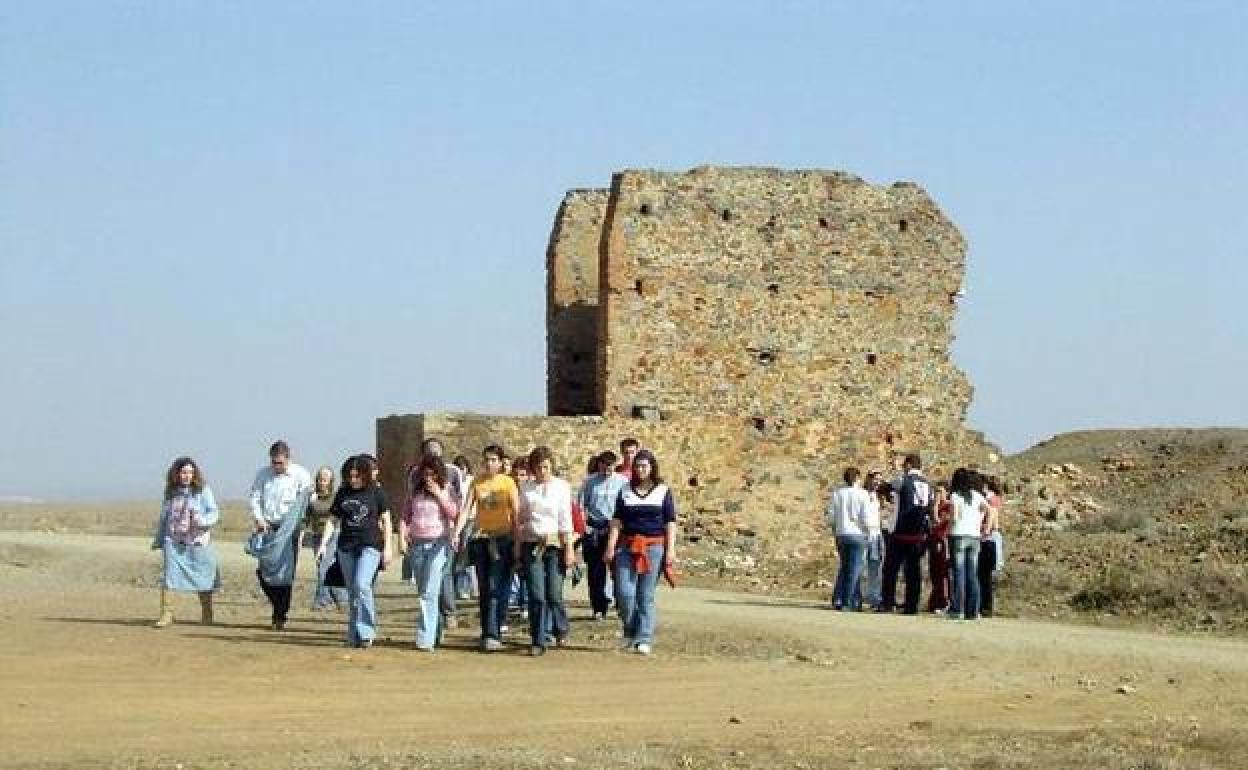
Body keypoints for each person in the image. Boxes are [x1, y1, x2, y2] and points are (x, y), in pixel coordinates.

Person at [605, 449, 677, 655]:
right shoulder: (625, 490)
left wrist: (670, 550)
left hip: (653, 547)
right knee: (624, 593)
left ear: (652, 467)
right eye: (637, 465)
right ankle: (631, 630)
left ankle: (644, 637)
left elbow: (670, 522)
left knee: (645, 595)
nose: (640, 469)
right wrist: (611, 545)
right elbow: (617, 520)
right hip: (627, 546)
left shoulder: (663, 491)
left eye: (644, 465)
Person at [316, 454, 393, 648]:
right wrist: (324, 544)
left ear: (365, 475)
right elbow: (333, 520)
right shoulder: (343, 493)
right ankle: (354, 634)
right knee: (352, 592)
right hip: (346, 547)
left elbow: (386, 520)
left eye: (357, 476)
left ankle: (367, 630)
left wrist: (389, 548)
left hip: (370, 545)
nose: (353, 480)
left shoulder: (377, 492)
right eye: (350, 476)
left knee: (362, 585)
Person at [454, 444, 521, 652]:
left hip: (503, 539)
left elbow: (517, 514)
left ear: (501, 463)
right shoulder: (477, 482)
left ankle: (495, 628)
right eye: (486, 460)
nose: (489, 464)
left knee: (497, 586)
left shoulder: (508, 483)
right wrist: (457, 532)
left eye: (493, 460)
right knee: (484, 587)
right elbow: (466, 509)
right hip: (482, 539)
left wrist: (518, 540)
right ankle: (489, 632)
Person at [515, 446, 574, 655]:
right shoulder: (526, 489)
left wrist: (569, 549)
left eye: (547, 467)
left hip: (554, 544)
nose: (543, 472)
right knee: (537, 594)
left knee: (554, 593)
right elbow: (520, 517)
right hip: (532, 543)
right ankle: (538, 638)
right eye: (539, 467)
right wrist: (518, 543)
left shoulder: (562, 487)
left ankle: (561, 628)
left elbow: (565, 519)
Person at [247, 440, 312, 631]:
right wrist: (259, 519)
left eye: (280, 463)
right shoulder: (262, 475)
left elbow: (306, 500)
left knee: (285, 573)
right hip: (268, 527)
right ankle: (277, 605)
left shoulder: (301, 475)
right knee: (264, 571)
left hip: (290, 529)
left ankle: (280, 614)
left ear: (288, 459)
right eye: (274, 463)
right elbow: (255, 498)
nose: (277, 466)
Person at [399, 454, 461, 651]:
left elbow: (455, 514)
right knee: (423, 591)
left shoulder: (447, 490)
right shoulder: (415, 493)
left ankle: (424, 639)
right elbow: (404, 516)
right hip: (417, 544)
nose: (429, 478)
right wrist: (402, 537)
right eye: (425, 474)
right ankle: (435, 630)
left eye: (433, 475)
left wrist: (440, 495)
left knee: (429, 592)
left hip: (438, 544)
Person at [150, 456, 220, 628]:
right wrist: (159, 539)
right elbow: (164, 517)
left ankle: (207, 613)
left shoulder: (203, 490)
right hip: (174, 541)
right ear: (176, 474)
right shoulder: (171, 492)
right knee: (169, 577)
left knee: (203, 577)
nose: (186, 476)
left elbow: (214, 512)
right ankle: (167, 614)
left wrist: (202, 521)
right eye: (183, 472)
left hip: (197, 541)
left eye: (190, 472)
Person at [413, 438, 466, 632]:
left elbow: (459, 504)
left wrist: (458, 530)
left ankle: (448, 614)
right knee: (426, 585)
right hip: (420, 534)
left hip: (445, 534)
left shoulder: (453, 472)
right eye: (428, 450)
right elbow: (409, 502)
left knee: (443, 576)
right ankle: (436, 624)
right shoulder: (415, 473)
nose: (433, 453)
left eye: (436, 450)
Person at [879, 453, 931, 615]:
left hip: (901, 531)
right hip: (918, 533)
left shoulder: (903, 480)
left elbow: (886, 488)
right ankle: (911, 605)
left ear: (908, 465)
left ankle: (888, 602)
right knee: (914, 571)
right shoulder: (927, 484)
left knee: (890, 569)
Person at [578, 450, 625, 620]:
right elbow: (582, 506)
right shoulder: (590, 482)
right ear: (599, 464)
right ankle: (599, 606)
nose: (607, 469)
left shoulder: (622, 482)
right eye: (604, 465)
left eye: (610, 466)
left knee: (619, 569)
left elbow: (625, 506)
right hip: (595, 529)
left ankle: (622, 603)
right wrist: (584, 529)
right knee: (595, 571)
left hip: (615, 528)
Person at [947, 468, 994, 621]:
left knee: (959, 574)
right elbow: (991, 511)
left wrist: (947, 529)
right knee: (972, 574)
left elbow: (954, 518)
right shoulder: (978, 496)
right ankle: (972, 611)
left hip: (959, 534)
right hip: (974, 536)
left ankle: (957, 609)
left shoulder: (955, 496)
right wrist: (986, 528)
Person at [825, 466, 872, 611]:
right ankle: (848, 600)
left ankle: (839, 598)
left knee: (845, 567)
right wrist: (868, 531)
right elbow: (865, 516)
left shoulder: (837, 494)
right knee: (855, 569)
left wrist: (835, 530)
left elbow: (831, 517)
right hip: (857, 534)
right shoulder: (863, 494)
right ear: (857, 478)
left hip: (841, 533)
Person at [304, 465, 348, 611]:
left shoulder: (336, 496)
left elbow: (340, 515)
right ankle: (342, 599)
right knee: (324, 568)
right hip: (317, 535)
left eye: (325, 480)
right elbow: (306, 518)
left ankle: (322, 601)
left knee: (324, 568)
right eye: (320, 479)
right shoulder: (312, 497)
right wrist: (301, 536)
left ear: (331, 481)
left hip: (333, 534)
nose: (322, 482)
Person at [859, 471, 888, 610]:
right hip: (864, 533)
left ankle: (874, 597)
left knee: (875, 566)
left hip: (876, 534)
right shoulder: (862, 494)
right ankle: (856, 595)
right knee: (861, 565)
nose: (877, 482)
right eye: (876, 479)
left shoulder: (877, 497)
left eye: (880, 480)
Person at [451, 454, 477, 600]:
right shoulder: (452, 483)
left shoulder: (471, 481)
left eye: (463, 468)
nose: (461, 471)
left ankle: (466, 587)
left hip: (470, 521)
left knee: (465, 554)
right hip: (456, 520)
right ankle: (457, 587)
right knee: (456, 555)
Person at [977, 476, 1004, 618]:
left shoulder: (989, 501)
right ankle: (986, 607)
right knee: (986, 576)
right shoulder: (998, 499)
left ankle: (984, 607)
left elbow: (991, 516)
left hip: (987, 537)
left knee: (983, 575)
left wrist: (984, 530)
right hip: (994, 537)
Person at [927, 483, 953, 614]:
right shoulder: (933, 506)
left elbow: (938, 521)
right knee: (934, 571)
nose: (938, 494)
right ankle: (935, 599)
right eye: (936, 491)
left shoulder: (948, 506)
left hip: (943, 540)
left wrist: (936, 505)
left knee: (943, 572)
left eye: (940, 491)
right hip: (933, 540)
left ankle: (945, 601)